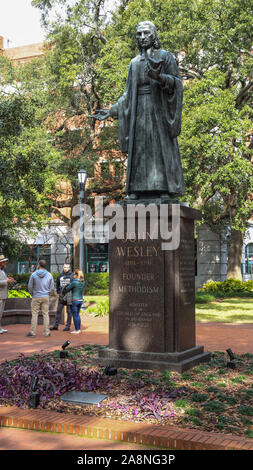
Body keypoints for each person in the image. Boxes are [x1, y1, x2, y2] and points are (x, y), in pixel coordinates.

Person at [93, 21, 185, 200]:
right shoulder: (134, 63)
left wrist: (159, 77)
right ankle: (137, 188)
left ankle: (164, 188)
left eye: (146, 33)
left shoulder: (166, 57)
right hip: (139, 112)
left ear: (154, 36)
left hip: (159, 111)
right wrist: (111, 111)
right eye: (139, 34)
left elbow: (177, 84)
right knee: (140, 149)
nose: (142, 37)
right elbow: (127, 95)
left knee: (159, 148)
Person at [27, 259, 54, 337]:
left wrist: (32, 294)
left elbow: (30, 286)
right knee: (46, 314)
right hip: (45, 296)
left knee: (34, 314)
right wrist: (48, 293)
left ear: (38, 265)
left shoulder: (33, 274)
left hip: (36, 296)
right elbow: (52, 287)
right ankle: (47, 332)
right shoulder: (49, 275)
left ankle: (32, 332)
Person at [50, 263, 74, 331]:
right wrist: (58, 292)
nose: (65, 268)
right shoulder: (60, 275)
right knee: (58, 310)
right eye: (64, 267)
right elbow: (57, 284)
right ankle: (55, 325)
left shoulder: (72, 276)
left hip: (69, 296)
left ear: (69, 268)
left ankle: (67, 326)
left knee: (69, 311)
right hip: (61, 296)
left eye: (67, 267)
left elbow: (74, 285)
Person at [64, 269, 85, 334]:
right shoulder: (83, 282)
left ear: (76, 275)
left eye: (74, 274)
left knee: (75, 315)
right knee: (77, 315)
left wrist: (67, 285)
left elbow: (67, 289)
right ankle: (79, 329)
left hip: (74, 300)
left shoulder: (74, 282)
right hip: (81, 300)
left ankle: (77, 329)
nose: (73, 275)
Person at [0, 254, 14, 334]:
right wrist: (6, 281)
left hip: (3, 295)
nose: (5, 263)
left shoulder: (2, 271)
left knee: (1, 313)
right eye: (4, 262)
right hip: (0, 296)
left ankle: (0, 328)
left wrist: (8, 279)